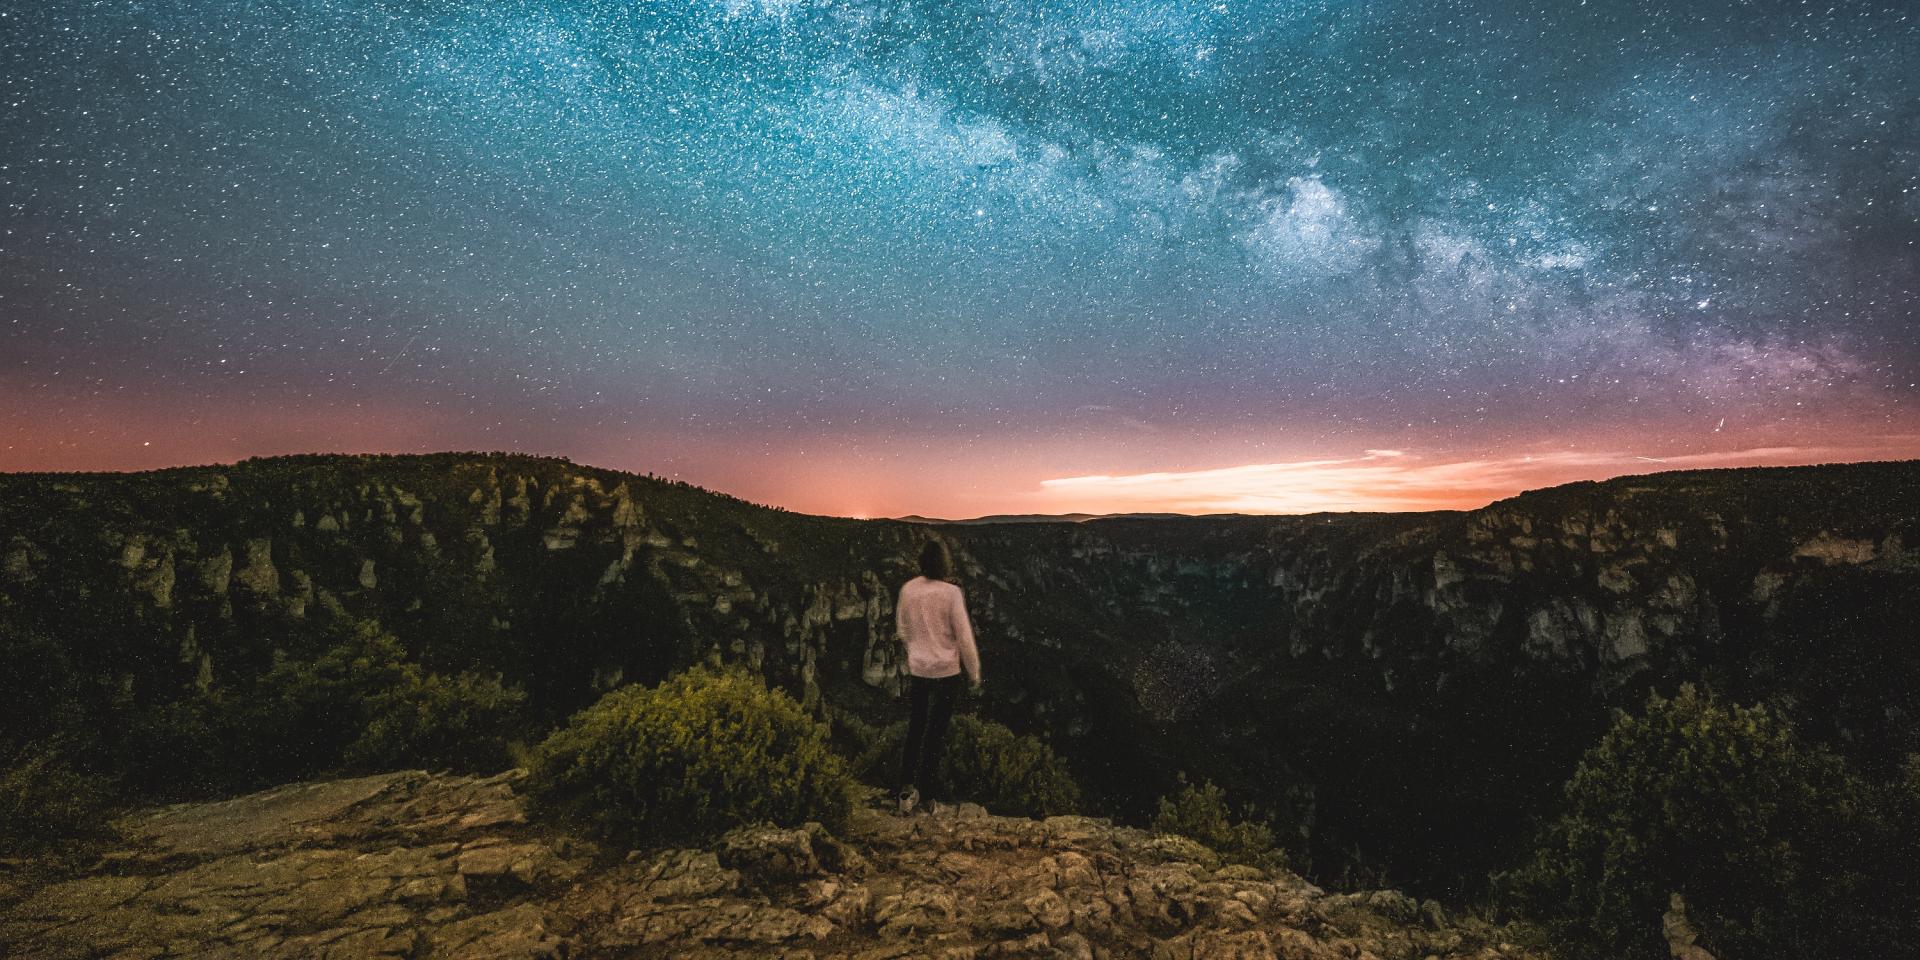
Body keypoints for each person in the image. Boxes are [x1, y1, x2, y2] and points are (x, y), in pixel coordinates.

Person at [894, 539, 982, 816]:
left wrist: (917, 649)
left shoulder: (908, 589)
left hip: (919, 669)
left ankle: (905, 791)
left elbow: (902, 629)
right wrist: (974, 671)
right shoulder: (951, 593)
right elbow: (964, 636)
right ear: (944, 563)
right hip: (946, 672)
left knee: (916, 728)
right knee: (935, 735)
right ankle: (929, 797)